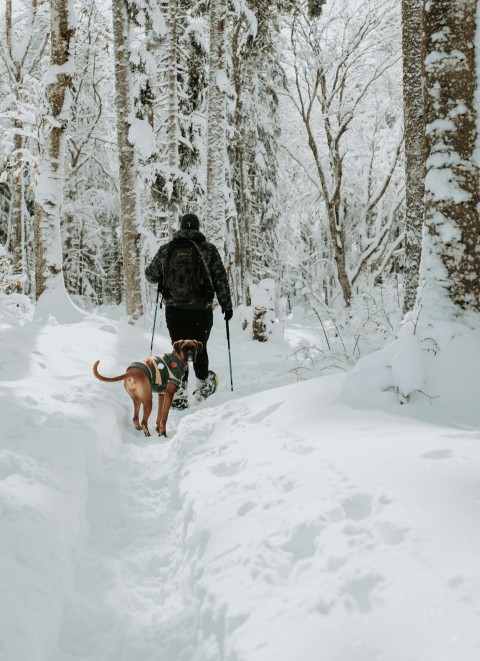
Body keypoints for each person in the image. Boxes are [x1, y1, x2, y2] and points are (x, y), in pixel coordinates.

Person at [145, 213, 233, 409]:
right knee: (200, 346)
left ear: (181, 227)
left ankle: (179, 392)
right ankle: (202, 386)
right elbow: (220, 278)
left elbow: (150, 275)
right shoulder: (208, 249)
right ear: (198, 227)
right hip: (201, 310)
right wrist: (227, 305)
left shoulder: (167, 249)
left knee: (178, 349)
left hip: (174, 310)